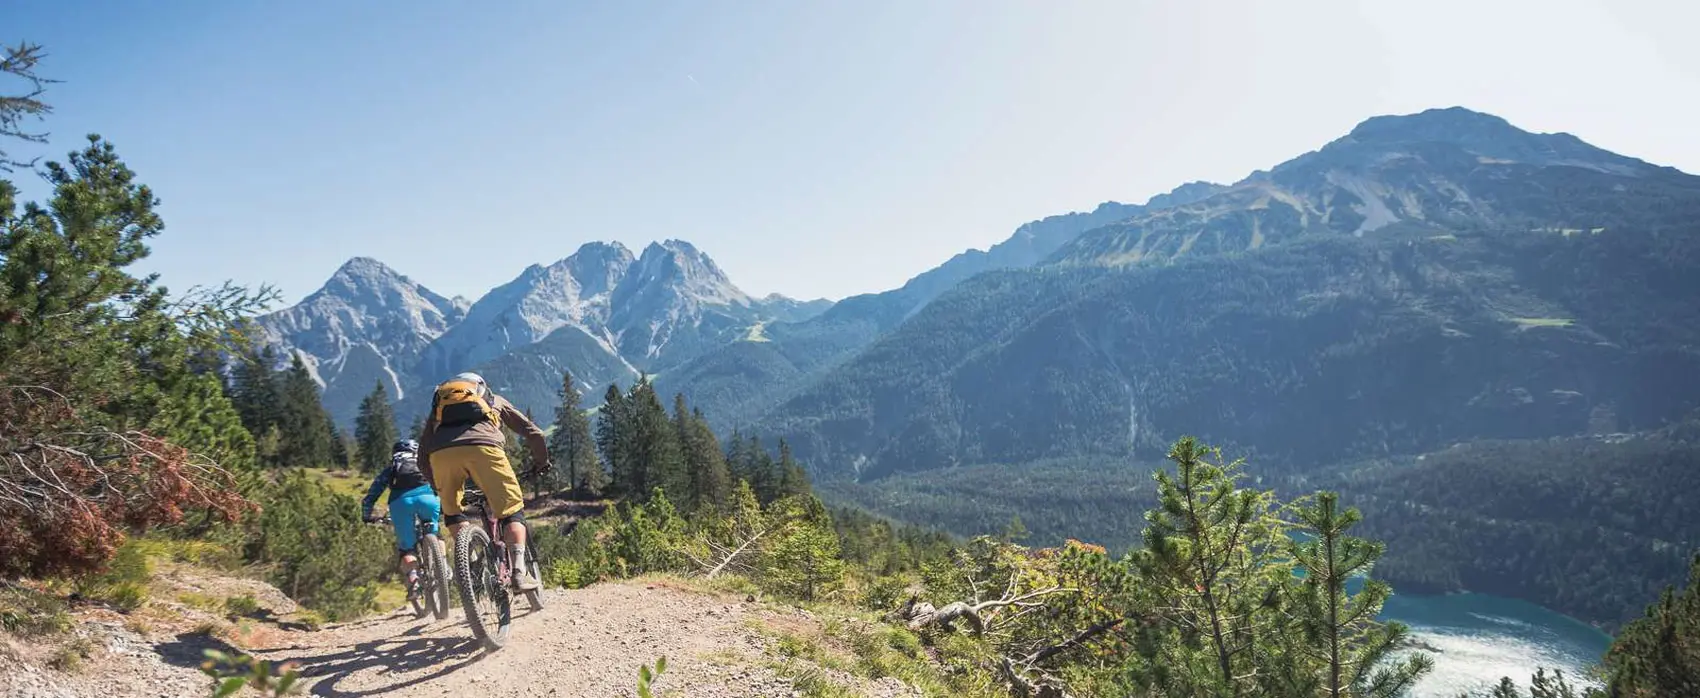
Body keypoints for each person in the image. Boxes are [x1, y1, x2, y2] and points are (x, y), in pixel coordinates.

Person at [419, 372, 550, 591]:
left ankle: (470, 560)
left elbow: (422, 457)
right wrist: (542, 462)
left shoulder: (439, 408)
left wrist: (436, 485)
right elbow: (533, 433)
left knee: (453, 512)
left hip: (441, 455)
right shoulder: (494, 400)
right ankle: (519, 572)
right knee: (511, 510)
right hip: (485, 449)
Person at [360, 439, 440, 592]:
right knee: (436, 533)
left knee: (407, 549)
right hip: (428, 498)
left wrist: (367, 514)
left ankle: (414, 580)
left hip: (401, 502)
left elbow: (374, 491)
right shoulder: (424, 463)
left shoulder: (392, 467)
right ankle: (443, 567)